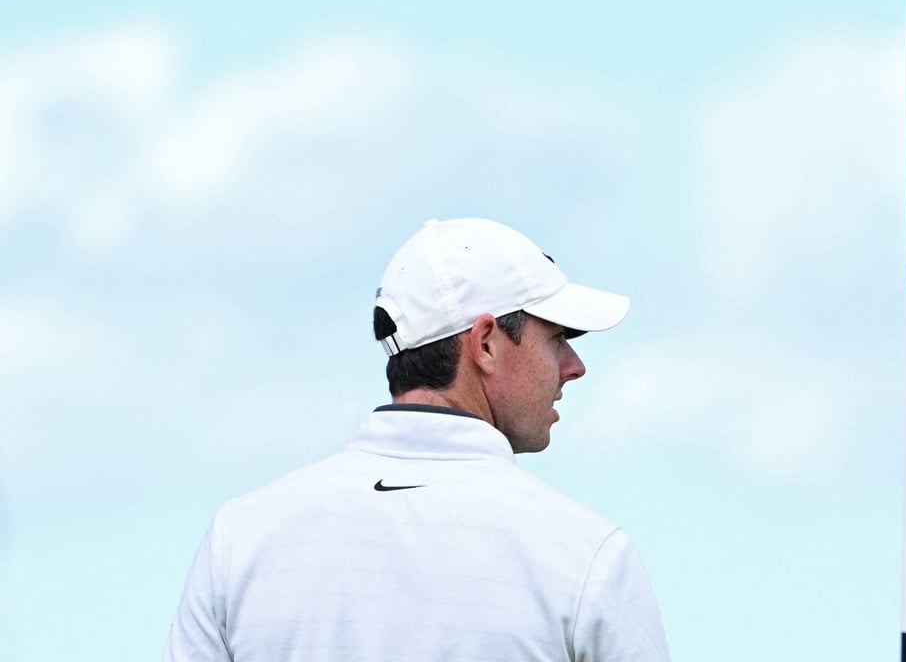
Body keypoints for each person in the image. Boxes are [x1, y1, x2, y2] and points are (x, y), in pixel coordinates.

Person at [163, 217, 670, 662]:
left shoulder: (241, 540)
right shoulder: (585, 556)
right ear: (486, 343)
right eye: (558, 337)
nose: (574, 366)